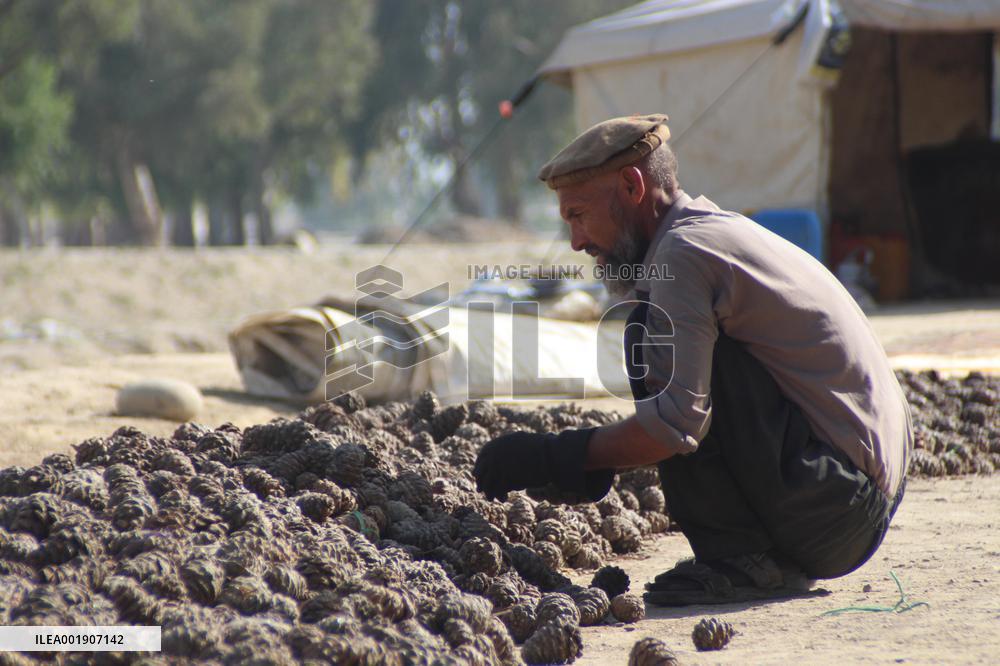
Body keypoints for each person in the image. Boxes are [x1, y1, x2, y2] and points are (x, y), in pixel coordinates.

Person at [473, 114, 912, 605]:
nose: (576, 241)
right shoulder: (708, 232)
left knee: (646, 336)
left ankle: (741, 560)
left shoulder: (682, 255)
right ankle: (755, 555)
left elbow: (675, 426)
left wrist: (559, 456)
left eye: (578, 214)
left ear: (631, 185)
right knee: (664, 341)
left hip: (838, 511)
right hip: (854, 498)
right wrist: (588, 460)